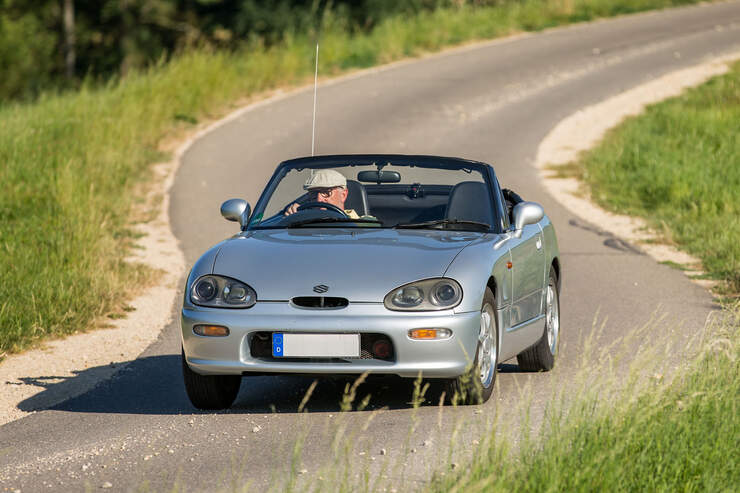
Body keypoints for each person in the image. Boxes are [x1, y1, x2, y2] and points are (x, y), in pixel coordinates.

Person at [284, 169, 361, 218]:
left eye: (326, 192)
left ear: (343, 195)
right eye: (313, 194)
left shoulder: (365, 224)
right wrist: (292, 216)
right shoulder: (303, 222)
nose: (318, 199)